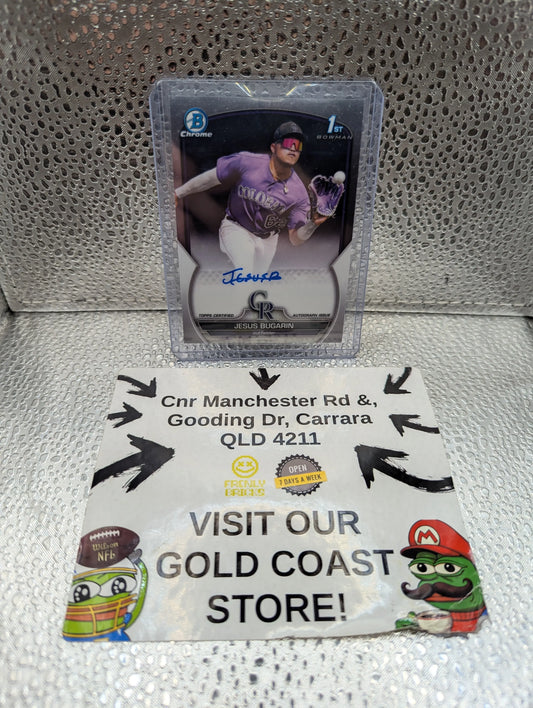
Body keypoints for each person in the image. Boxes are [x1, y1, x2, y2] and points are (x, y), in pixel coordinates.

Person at [175, 121, 329, 274]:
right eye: (288, 143)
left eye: (298, 146)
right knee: (245, 270)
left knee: (258, 278)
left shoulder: (299, 192)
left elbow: (295, 239)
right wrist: (178, 193)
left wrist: (313, 224)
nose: (293, 149)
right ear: (273, 147)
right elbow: (210, 179)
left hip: (267, 238)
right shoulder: (248, 162)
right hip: (236, 227)